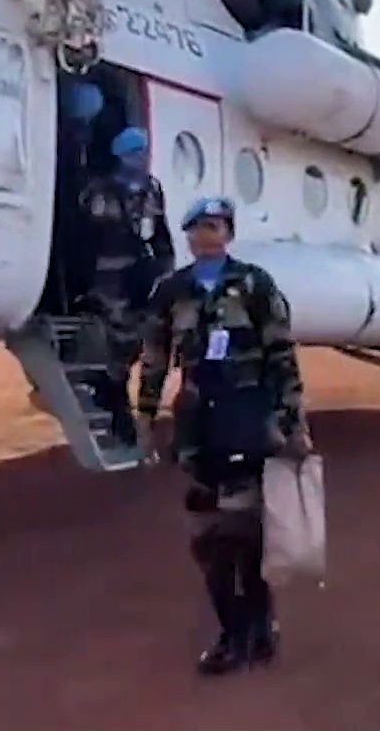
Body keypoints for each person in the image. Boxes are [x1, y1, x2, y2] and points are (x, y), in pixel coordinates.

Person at [135, 195, 310, 676]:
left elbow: (281, 355)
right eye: (197, 227)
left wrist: (293, 421)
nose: (205, 234)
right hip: (197, 426)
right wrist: (146, 416)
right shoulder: (172, 289)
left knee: (246, 532)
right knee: (206, 537)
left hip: (247, 419)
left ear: (229, 233)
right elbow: (154, 357)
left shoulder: (255, 285)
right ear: (188, 235)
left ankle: (258, 625)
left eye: (215, 226)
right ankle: (233, 631)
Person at [79, 126, 173, 443]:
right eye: (135, 152)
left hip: (138, 273)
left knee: (139, 337)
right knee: (116, 337)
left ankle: (112, 388)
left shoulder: (152, 188)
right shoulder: (100, 191)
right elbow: (89, 236)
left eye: (144, 151)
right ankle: (114, 398)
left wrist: (164, 263)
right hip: (108, 275)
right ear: (121, 156)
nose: (142, 158)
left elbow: (160, 230)